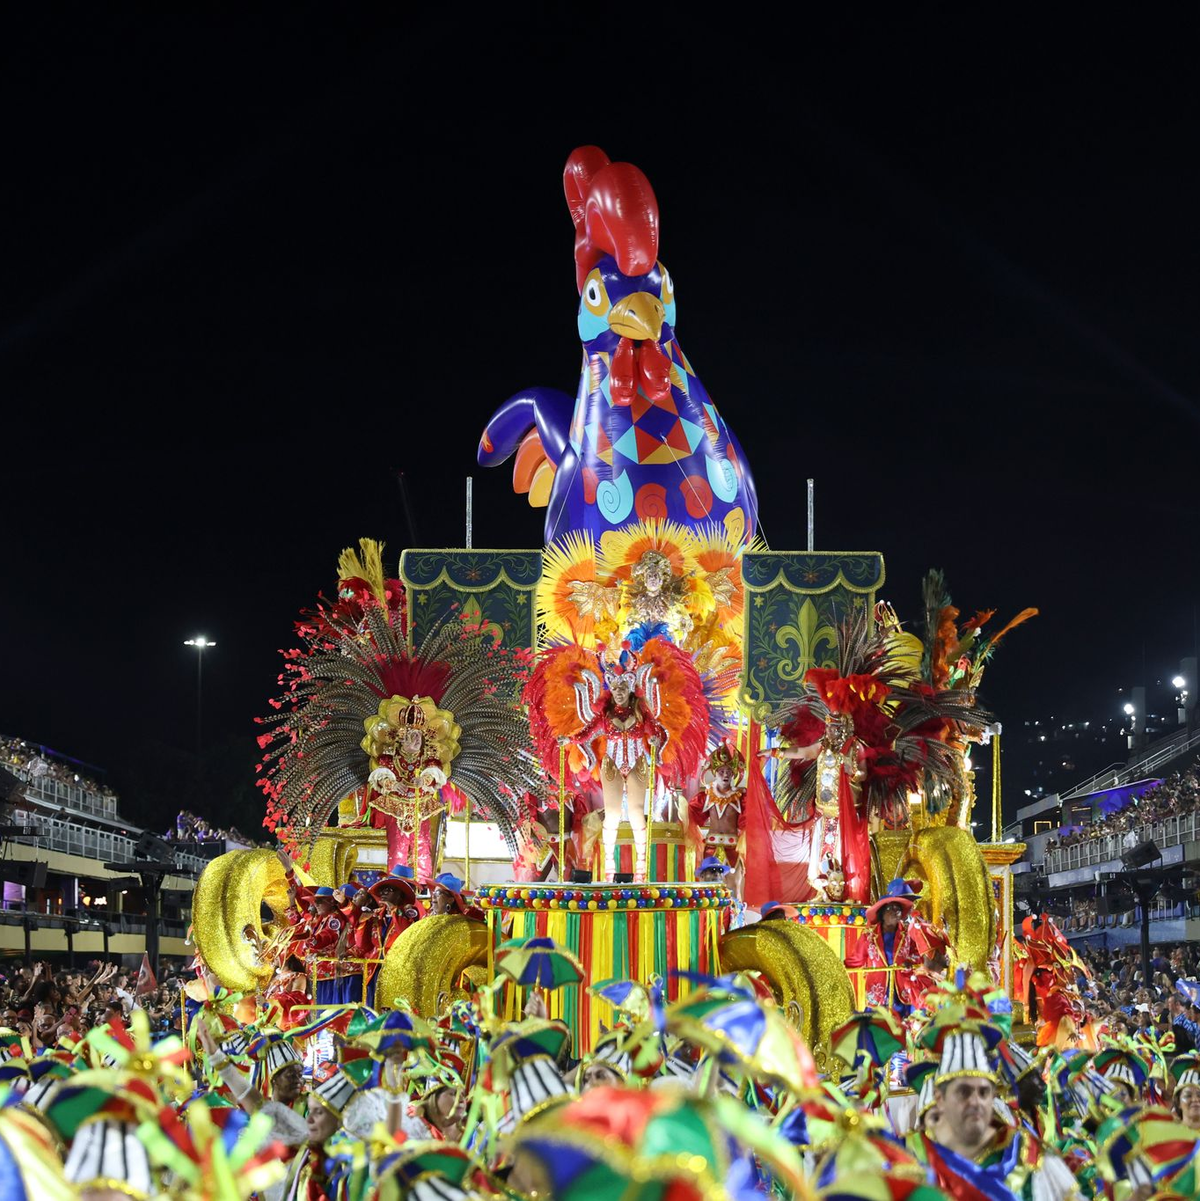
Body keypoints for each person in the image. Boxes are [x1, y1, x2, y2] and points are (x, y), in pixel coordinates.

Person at [844, 878, 922, 1012]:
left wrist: (911, 963)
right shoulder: (868, 935)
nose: (896, 911)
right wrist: (839, 968)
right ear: (882, 913)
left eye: (898, 909)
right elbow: (856, 959)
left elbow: (917, 953)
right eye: (891, 908)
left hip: (902, 990)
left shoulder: (908, 932)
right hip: (878, 992)